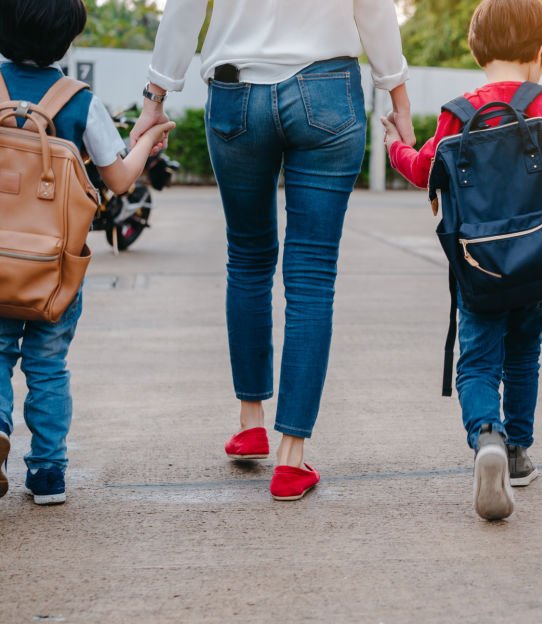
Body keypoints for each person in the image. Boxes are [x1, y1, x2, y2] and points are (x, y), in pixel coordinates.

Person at [133, 0, 414, 501]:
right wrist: (398, 97)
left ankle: (250, 423)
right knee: (311, 275)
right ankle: (291, 458)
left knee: (247, 259)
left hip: (236, 90)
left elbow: (183, 9)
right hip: (329, 91)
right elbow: (373, 9)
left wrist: (155, 97)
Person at [382, 0, 542, 519]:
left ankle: (487, 437)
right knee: (523, 356)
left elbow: (423, 171)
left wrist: (395, 146)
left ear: (478, 51)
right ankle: (518, 453)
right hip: (541, 264)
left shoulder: (459, 113)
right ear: (541, 52)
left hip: (479, 267)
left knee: (477, 361)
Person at [0, 0, 175, 504]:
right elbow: (119, 179)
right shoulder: (79, 101)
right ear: (66, 41)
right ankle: (48, 473)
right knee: (48, 366)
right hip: (53, 269)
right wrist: (149, 141)